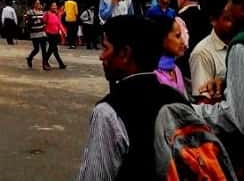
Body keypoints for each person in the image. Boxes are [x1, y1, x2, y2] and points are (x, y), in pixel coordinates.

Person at [76, 15, 187, 180]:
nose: (101, 56)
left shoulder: (109, 111)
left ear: (125, 54)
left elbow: (94, 176)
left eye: (106, 48)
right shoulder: (176, 98)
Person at [194, 0, 244, 170]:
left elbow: (236, 116)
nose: (228, 8)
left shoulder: (239, 46)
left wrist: (187, 111)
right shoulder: (202, 53)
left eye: (230, 1)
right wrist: (226, 84)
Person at [190, 4, 235, 100]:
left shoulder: (238, 45)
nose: (234, 24)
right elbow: (203, 101)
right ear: (213, 21)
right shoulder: (202, 53)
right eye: (228, 19)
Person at [177, 0, 211, 80]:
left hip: (188, 68)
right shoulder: (206, 15)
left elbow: (182, 46)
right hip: (208, 64)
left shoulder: (180, 19)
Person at [152, 16, 187, 95]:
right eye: (178, 36)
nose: (183, 41)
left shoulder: (176, 69)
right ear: (163, 39)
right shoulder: (154, 75)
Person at [43, 2, 67, 70]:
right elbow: (43, 22)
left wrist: (63, 32)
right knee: (52, 48)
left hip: (56, 34)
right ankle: (45, 61)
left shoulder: (58, 14)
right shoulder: (47, 13)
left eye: (55, 6)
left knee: (54, 49)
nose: (54, 7)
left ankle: (60, 64)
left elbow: (59, 24)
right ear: (50, 7)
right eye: (53, 6)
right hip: (49, 33)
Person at [25, 0, 47, 69]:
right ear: (33, 4)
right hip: (34, 33)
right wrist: (34, 21)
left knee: (44, 49)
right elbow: (26, 21)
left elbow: (44, 21)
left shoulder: (42, 12)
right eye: (36, 3)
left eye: (39, 3)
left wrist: (44, 24)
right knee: (36, 49)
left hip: (42, 32)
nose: (38, 4)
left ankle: (44, 64)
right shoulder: (30, 12)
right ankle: (29, 58)